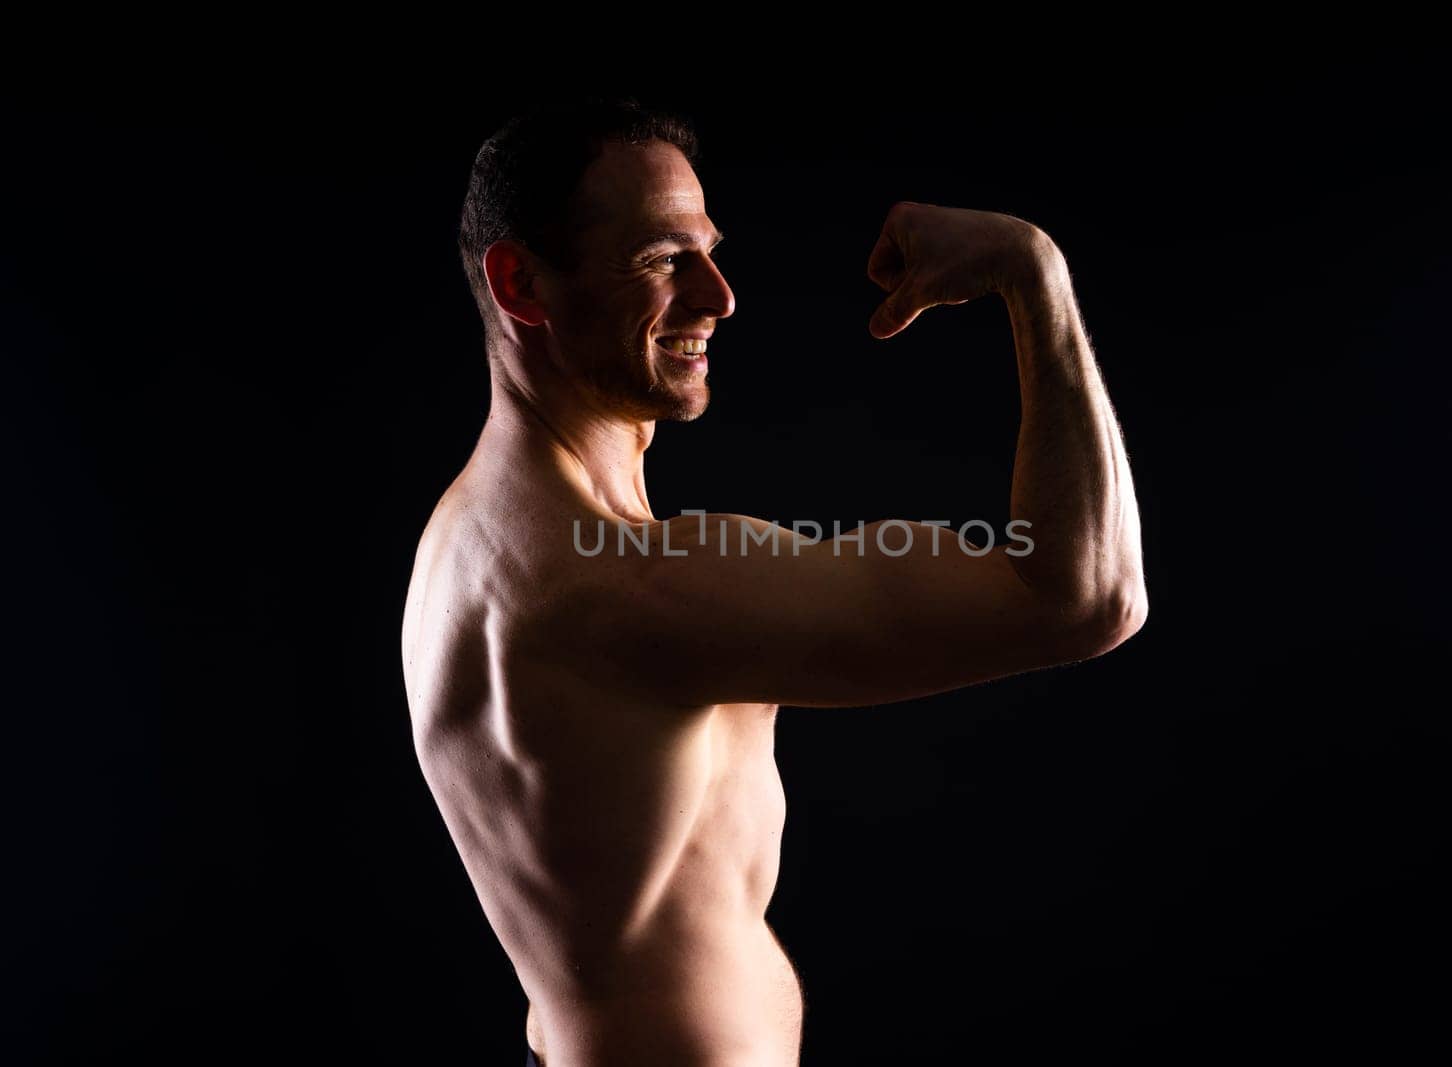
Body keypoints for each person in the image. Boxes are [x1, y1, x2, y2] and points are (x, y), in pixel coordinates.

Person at [400, 97, 1148, 1067]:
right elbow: (1089, 595)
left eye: (709, 250)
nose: (718, 295)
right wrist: (1031, 272)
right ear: (522, 282)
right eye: (662, 258)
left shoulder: (464, 538)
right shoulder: (624, 583)